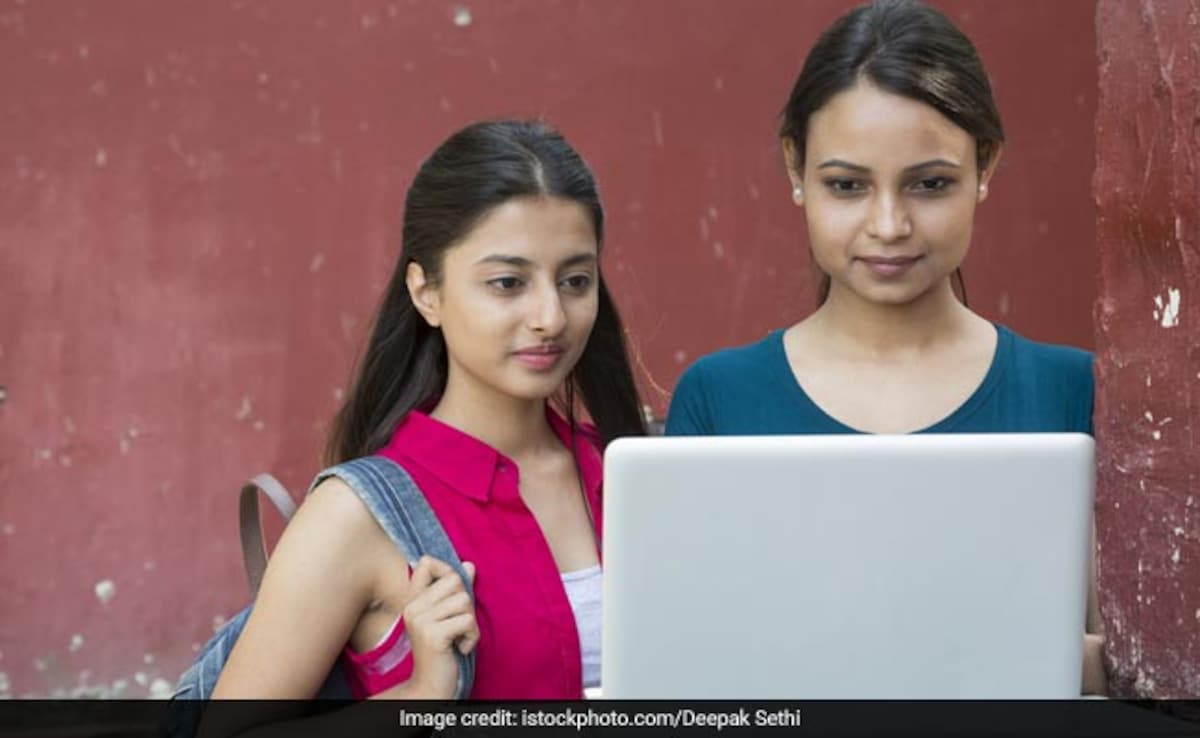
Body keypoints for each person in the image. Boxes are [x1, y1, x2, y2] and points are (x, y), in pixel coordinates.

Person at [664, 0, 1106, 695]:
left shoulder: (1073, 390)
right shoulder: (718, 399)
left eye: (930, 184)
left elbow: (1123, 657)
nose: (890, 224)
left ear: (985, 165)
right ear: (795, 167)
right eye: (847, 186)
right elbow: (685, 665)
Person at [211, 120, 647, 709]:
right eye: (507, 282)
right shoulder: (355, 516)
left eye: (575, 280)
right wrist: (419, 695)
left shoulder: (632, 475)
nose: (551, 316)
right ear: (426, 292)